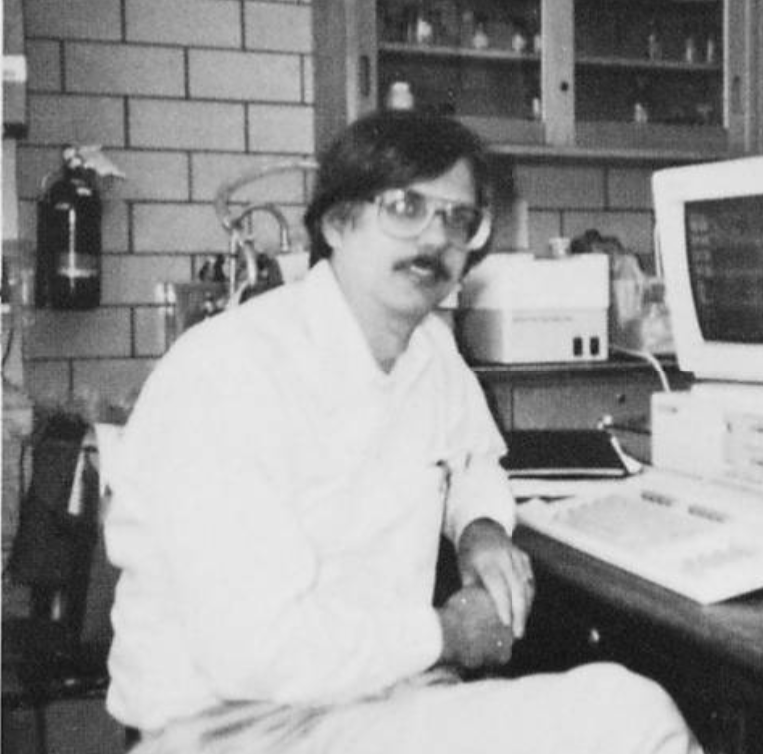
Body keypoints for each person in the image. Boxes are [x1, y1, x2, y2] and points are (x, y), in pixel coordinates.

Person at [103, 110, 703, 754]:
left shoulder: (428, 351)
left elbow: (473, 460)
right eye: (406, 206)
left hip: (379, 700)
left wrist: (481, 530)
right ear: (336, 222)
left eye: (457, 218)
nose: (435, 237)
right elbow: (255, 653)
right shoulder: (228, 372)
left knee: (616, 707)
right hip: (233, 729)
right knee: (634, 719)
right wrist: (447, 634)